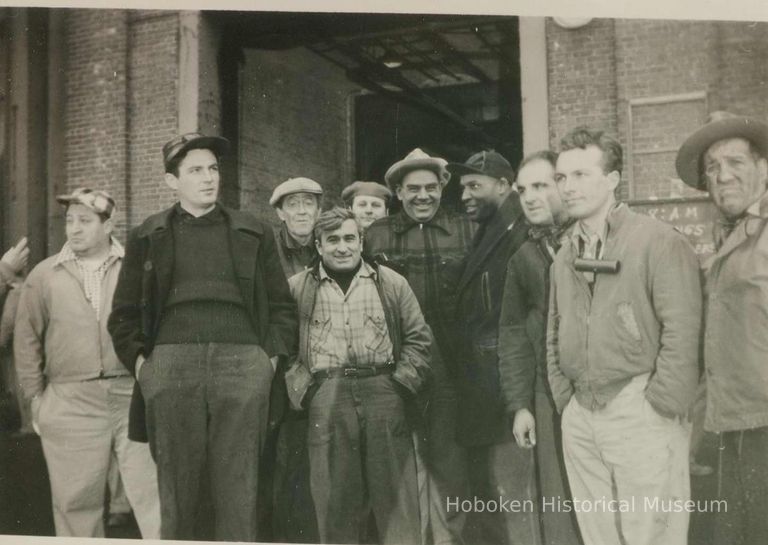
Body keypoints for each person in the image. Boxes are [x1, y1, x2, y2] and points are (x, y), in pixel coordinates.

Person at [108, 132, 297, 541]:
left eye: (213, 168)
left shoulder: (254, 231)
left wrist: (267, 363)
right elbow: (122, 315)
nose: (209, 178)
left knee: (241, 488)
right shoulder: (147, 235)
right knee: (177, 491)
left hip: (243, 364)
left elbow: (283, 308)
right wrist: (145, 368)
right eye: (195, 170)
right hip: (171, 367)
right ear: (172, 181)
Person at [548, 127, 701, 545]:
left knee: (652, 534)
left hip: (639, 406)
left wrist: (660, 405)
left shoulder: (658, 241)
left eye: (581, 174)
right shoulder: (565, 254)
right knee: (599, 535)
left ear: (613, 179)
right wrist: (566, 400)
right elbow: (554, 328)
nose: (568, 187)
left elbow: (684, 329)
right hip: (581, 412)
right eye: (562, 178)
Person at [14, 188, 160, 538]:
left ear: (108, 225)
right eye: (69, 220)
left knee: (155, 496)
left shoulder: (136, 270)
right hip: (70, 398)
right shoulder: (45, 275)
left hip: (131, 395)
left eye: (85, 220)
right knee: (75, 502)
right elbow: (27, 339)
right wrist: (36, 399)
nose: (74, 229)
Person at [285, 207, 431, 545]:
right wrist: (305, 392)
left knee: (397, 502)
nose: (342, 247)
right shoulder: (297, 289)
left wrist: (399, 386)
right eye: (332, 240)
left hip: (383, 390)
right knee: (335, 501)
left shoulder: (391, 282)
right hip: (327, 394)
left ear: (361, 241)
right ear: (318, 246)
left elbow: (419, 339)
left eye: (349, 238)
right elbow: (284, 347)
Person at [366, 148, 474, 545]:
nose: (423, 196)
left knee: (448, 462)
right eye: (413, 189)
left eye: (431, 187)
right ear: (397, 191)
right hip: (394, 366)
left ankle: (448, 540)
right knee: (400, 462)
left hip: (448, 363)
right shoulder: (375, 235)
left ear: (443, 189)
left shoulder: (466, 229)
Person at [675, 111, 768, 543]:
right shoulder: (728, 235)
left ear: (764, 167)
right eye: (713, 167)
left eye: (736, 163)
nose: (722, 175)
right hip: (732, 423)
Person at [447, 150, 539, 545]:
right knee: (491, 491)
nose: (465, 195)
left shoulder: (521, 232)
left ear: (503, 186)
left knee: (512, 494)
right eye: (463, 187)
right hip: (483, 384)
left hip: (501, 384)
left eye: (474, 186)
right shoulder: (491, 230)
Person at [497, 150, 581, 545]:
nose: (529, 197)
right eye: (522, 189)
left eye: (540, 186)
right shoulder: (524, 258)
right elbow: (512, 335)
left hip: (598, 391)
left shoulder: (594, 241)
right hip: (546, 394)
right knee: (558, 501)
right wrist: (520, 405)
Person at [270, 177, 324, 277]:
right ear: (280, 213)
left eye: (308, 203)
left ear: (318, 211)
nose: (302, 211)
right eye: (292, 204)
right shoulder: (270, 251)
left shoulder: (328, 247)